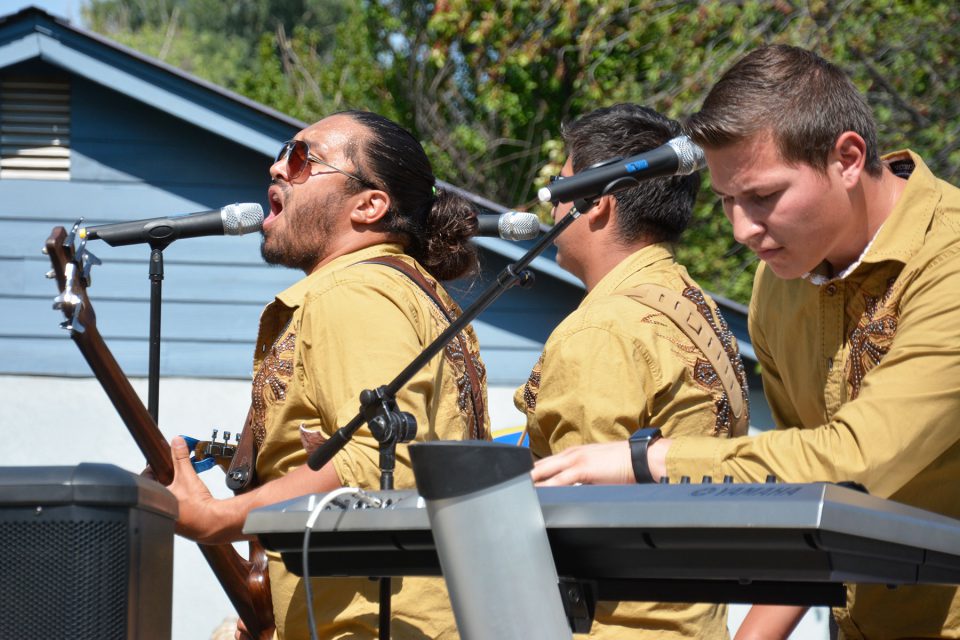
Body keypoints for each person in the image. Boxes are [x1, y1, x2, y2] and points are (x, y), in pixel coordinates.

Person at [532, 45, 960, 639]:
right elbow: (800, 485)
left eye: (762, 197)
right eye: (728, 201)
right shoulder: (779, 282)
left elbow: (851, 463)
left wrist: (645, 461)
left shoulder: (950, 262)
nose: (741, 230)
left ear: (848, 158)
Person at [165, 110, 489, 639]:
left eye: (300, 158)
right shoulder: (418, 296)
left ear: (369, 205)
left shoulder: (355, 294)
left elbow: (380, 459)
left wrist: (217, 518)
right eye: (279, 154)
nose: (276, 169)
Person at [516, 103, 749, 639]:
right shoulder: (698, 305)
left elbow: (570, 519)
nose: (552, 204)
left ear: (595, 203)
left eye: (562, 183)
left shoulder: (601, 330)